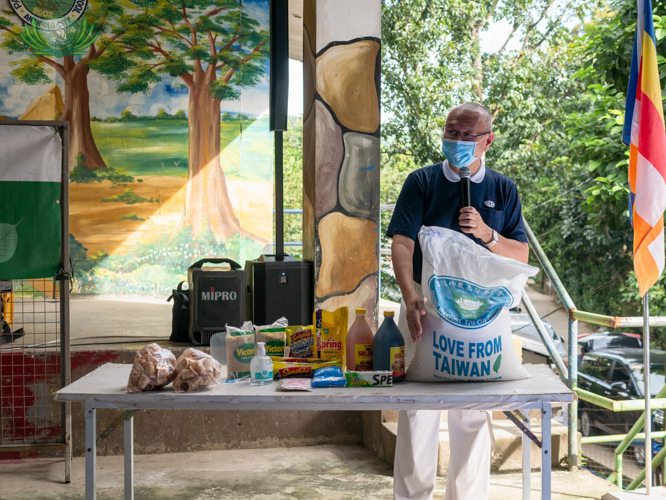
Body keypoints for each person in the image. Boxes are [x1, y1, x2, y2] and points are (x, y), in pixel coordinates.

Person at [386, 102, 530, 500]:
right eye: (452, 132)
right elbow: (401, 241)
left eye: (469, 135)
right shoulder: (422, 182)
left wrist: (487, 234)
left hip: (481, 316)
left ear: (489, 140)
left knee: (471, 412)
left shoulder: (503, 189)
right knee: (418, 410)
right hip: (425, 308)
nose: (459, 141)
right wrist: (409, 292)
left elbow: (521, 255)